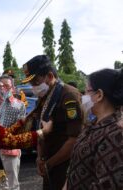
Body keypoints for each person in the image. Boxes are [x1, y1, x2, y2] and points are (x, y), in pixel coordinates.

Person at [22, 55, 83, 190]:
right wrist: (39, 157)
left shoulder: (68, 95)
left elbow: (74, 139)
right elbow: (40, 126)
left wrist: (49, 164)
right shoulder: (45, 97)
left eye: (35, 82)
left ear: (49, 76)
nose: (33, 87)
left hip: (64, 165)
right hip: (49, 163)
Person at [64, 68, 123, 190]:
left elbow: (108, 184)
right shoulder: (93, 124)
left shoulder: (115, 134)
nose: (82, 96)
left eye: (86, 91)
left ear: (99, 95)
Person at [0, 75, 26, 190]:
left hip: (10, 149)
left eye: (7, 86)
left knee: (12, 184)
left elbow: (22, 129)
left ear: (13, 88)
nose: (4, 89)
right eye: (1, 86)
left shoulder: (19, 105)